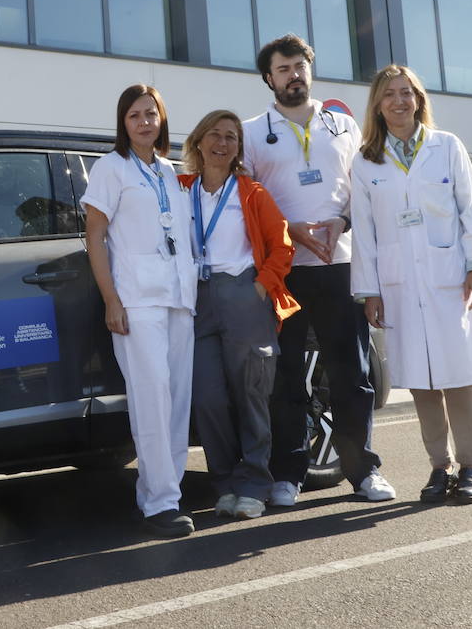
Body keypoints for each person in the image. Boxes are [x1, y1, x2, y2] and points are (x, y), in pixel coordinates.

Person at [242, 34, 395, 507]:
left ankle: (363, 471)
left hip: (340, 263)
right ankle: (288, 474)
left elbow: (363, 190)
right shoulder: (250, 132)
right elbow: (246, 201)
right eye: (283, 69)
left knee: (351, 372)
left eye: (300, 66)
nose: (294, 75)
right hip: (284, 270)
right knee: (287, 375)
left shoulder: (345, 126)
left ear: (311, 70)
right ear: (269, 78)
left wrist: (341, 220)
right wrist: (286, 228)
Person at [350, 65, 472, 503]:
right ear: (378, 104)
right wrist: (369, 289)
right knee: (422, 380)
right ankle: (439, 466)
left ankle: (469, 466)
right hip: (399, 285)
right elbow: (365, 231)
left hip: (450, 278)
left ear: (418, 100)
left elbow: (471, 209)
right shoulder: (365, 161)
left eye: (406, 93)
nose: (399, 101)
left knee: (458, 373)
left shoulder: (446, 147)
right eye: (390, 94)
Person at [81, 84, 198, 538]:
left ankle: (169, 491)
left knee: (176, 402)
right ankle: (158, 502)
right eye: (135, 115)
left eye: (151, 114)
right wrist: (112, 299)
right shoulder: (111, 168)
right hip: (136, 299)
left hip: (179, 298)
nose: (145, 122)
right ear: (122, 122)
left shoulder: (172, 172)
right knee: (151, 399)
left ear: (162, 120)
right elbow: (95, 236)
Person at [177, 110, 299, 520]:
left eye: (231, 137)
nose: (223, 143)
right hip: (197, 300)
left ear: (238, 149)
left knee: (251, 394)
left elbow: (282, 247)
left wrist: (260, 287)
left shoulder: (252, 192)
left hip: (243, 293)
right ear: (198, 141)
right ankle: (225, 483)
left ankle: (254, 484)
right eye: (214, 134)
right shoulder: (180, 190)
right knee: (208, 398)